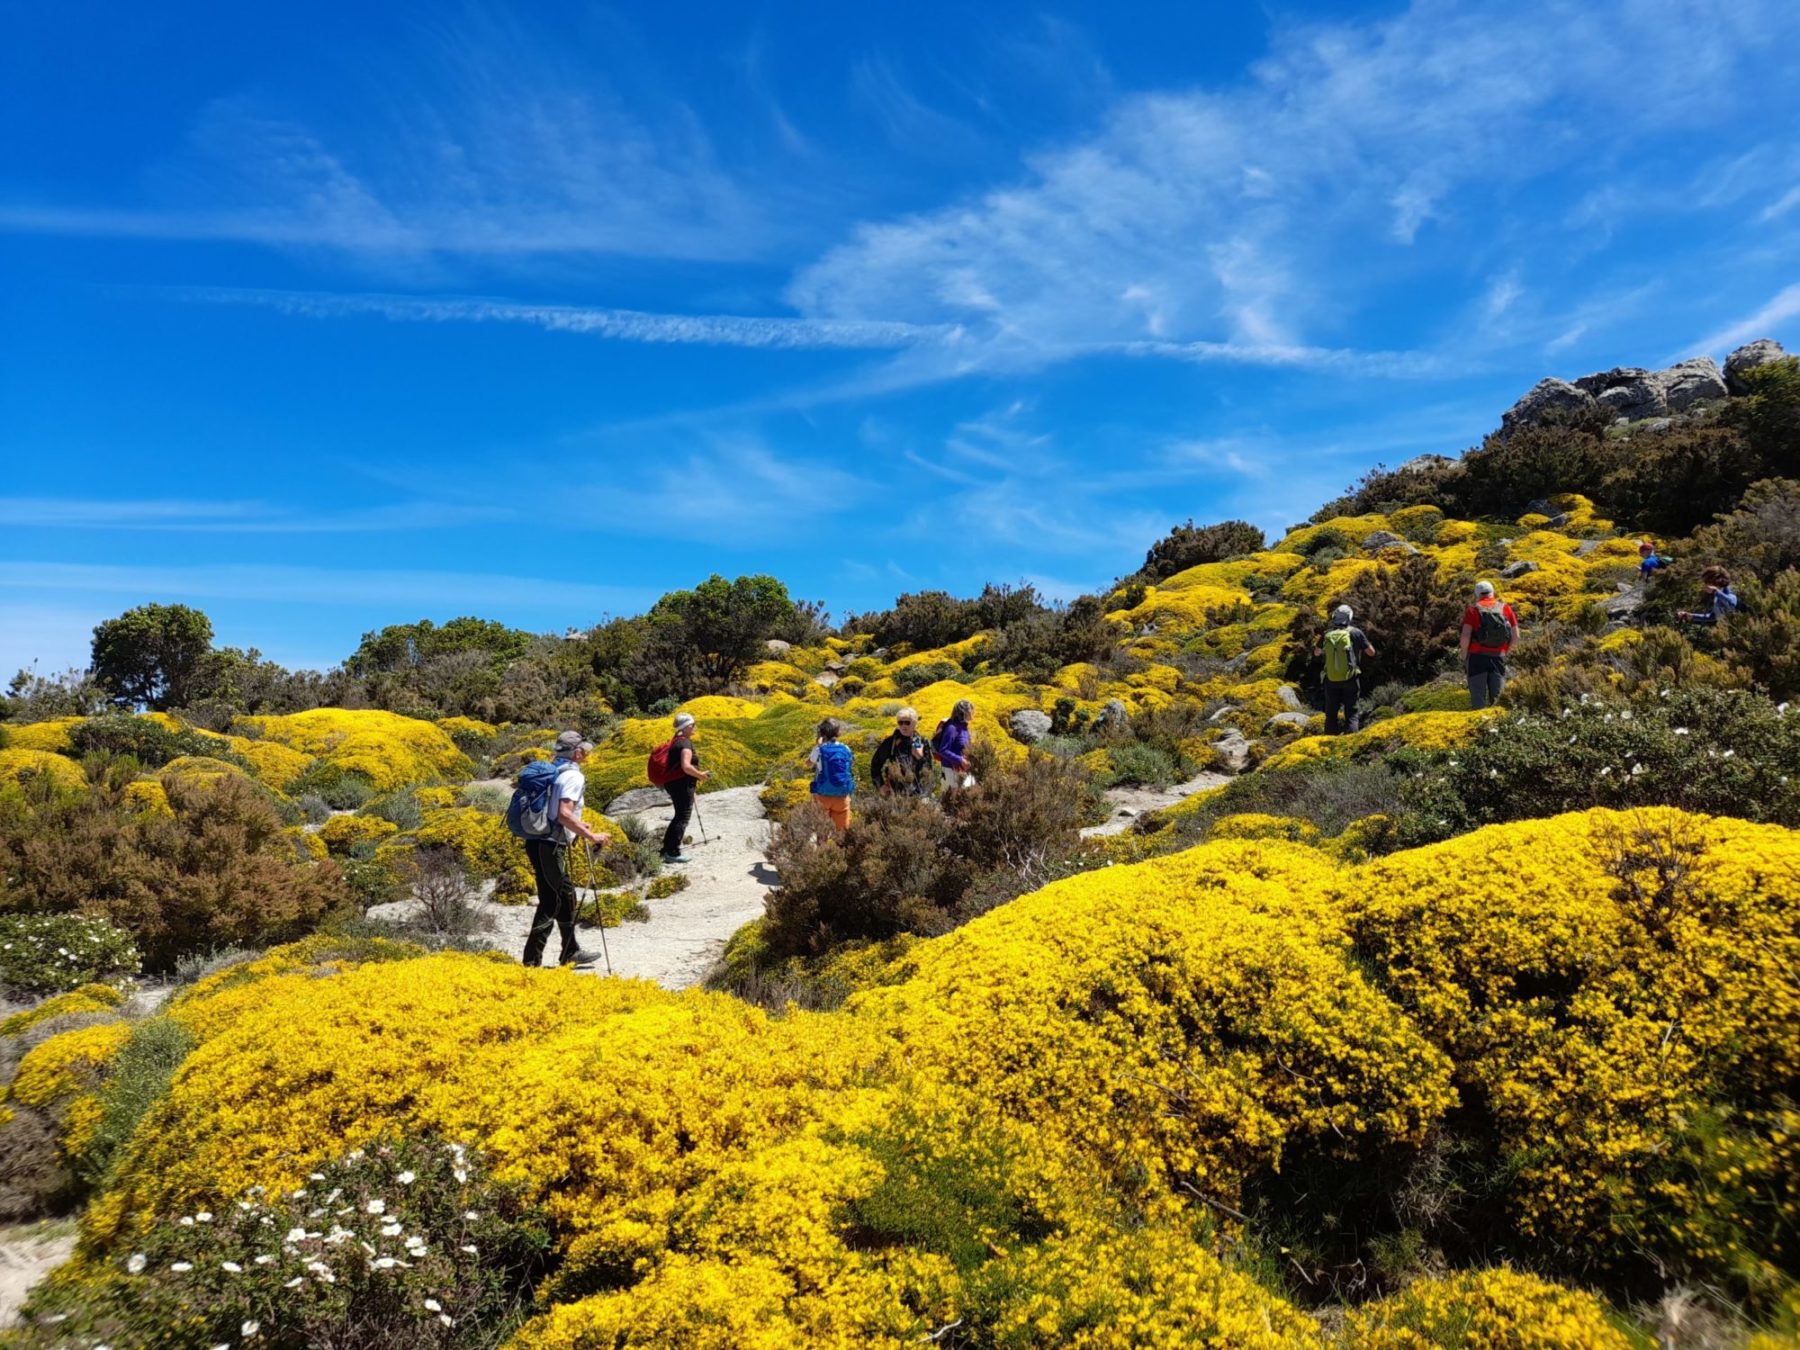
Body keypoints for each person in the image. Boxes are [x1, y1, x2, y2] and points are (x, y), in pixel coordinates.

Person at [522, 730, 611, 968]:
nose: (587, 754)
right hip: (551, 845)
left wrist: (579, 826)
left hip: (537, 841)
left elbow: (557, 812)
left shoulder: (554, 770)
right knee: (552, 900)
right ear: (578, 752)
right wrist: (591, 835)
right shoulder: (572, 776)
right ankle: (531, 961)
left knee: (565, 895)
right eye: (585, 750)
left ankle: (570, 950)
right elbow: (563, 814)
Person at [1313, 604, 1376, 735]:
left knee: (1331, 713)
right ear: (1349, 618)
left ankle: (1329, 743)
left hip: (1331, 679)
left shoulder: (1327, 634)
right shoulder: (1355, 632)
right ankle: (1351, 744)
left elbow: (1316, 653)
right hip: (1351, 678)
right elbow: (1371, 652)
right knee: (1351, 712)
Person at [1460, 581, 1519, 712]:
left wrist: (1464, 654)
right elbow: (1516, 636)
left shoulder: (1472, 610)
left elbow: (1465, 636)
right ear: (1493, 592)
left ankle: (1479, 726)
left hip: (1477, 657)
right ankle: (1497, 727)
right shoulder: (1505, 608)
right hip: (1499, 657)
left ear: (1477, 594)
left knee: (1478, 697)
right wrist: (1507, 652)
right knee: (1498, 698)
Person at [661, 711, 711, 863]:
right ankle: (672, 852)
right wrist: (701, 776)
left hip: (675, 784)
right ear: (687, 726)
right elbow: (686, 766)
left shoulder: (676, 741)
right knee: (682, 817)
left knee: (679, 816)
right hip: (682, 785)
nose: (695, 727)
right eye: (693, 725)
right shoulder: (685, 743)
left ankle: (666, 848)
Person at [870, 706, 933, 796]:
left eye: (907, 723)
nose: (903, 726)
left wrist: (920, 757)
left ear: (915, 723)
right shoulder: (891, 741)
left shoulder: (918, 740)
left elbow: (928, 768)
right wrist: (880, 785)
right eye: (900, 723)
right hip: (896, 790)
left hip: (918, 790)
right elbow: (875, 764)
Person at [807, 717, 855, 830]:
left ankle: (822, 847)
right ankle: (840, 847)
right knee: (842, 832)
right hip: (842, 795)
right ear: (838, 732)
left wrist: (817, 746)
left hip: (822, 795)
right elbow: (850, 764)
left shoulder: (819, 749)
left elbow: (809, 764)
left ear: (821, 734)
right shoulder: (846, 748)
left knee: (822, 831)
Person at [932, 699, 975, 792]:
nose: (972, 711)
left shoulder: (964, 727)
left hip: (962, 770)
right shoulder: (952, 728)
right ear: (964, 712)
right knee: (951, 800)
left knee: (964, 800)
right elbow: (943, 750)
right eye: (970, 709)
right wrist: (960, 760)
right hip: (950, 771)